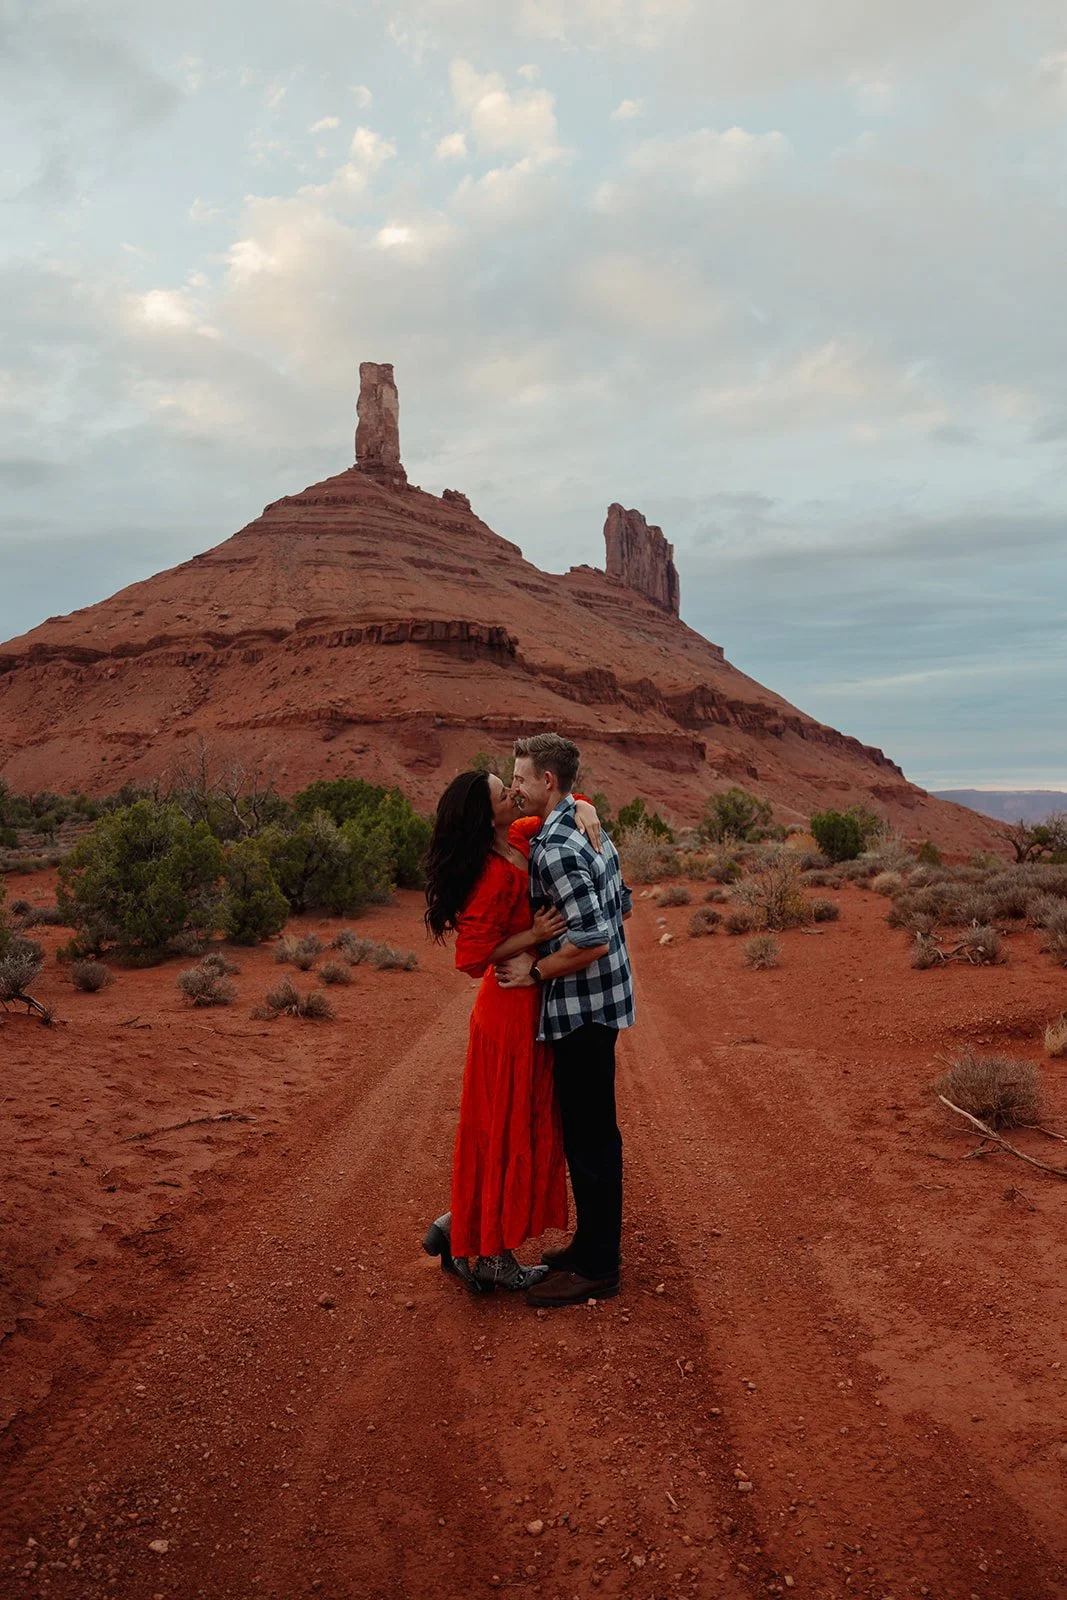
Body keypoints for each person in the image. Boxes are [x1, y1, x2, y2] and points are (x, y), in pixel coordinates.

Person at [421, 768, 603, 1292]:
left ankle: (460, 1226)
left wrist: (584, 806)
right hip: (505, 1011)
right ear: (487, 813)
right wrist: (532, 934)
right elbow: (471, 958)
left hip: (528, 1005)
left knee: (514, 1122)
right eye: (504, 793)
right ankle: (493, 1257)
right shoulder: (487, 873)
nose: (514, 793)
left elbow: (559, 803)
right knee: (503, 1129)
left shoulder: (518, 836)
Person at [496, 732, 635, 1307]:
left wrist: (537, 971)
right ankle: (588, 1247)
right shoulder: (584, 826)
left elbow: (594, 939)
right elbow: (620, 902)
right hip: (602, 1004)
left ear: (547, 781)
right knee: (592, 1133)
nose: (516, 788)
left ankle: (600, 1265)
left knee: (591, 1138)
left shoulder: (557, 844)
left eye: (522, 778)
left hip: (583, 1010)